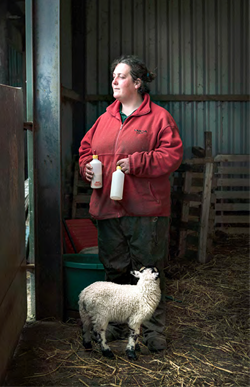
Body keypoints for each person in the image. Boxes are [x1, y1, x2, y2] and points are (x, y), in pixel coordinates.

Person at [78, 55, 183, 352]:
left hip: (145, 210)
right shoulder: (104, 119)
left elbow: (172, 155)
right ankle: (117, 324)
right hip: (108, 209)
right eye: (113, 76)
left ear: (137, 83)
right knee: (114, 270)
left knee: (148, 271)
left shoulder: (159, 118)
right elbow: (86, 151)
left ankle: (152, 330)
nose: (114, 81)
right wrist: (85, 167)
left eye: (121, 76)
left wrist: (137, 162)